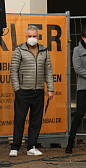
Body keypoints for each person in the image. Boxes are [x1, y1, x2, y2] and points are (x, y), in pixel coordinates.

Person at [9, 25, 54, 157]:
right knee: (19, 119)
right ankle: (15, 147)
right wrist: (17, 88)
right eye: (30, 36)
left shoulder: (44, 50)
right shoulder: (19, 50)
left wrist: (50, 89)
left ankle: (31, 147)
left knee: (36, 121)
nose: (32, 38)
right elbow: (13, 70)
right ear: (26, 36)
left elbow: (48, 71)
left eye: (34, 36)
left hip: (38, 91)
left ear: (38, 37)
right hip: (23, 91)